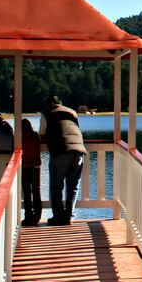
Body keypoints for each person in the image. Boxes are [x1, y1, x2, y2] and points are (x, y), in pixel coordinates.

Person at [39, 95, 86, 226]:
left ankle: (57, 216)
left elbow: (42, 134)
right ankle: (69, 216)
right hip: (79, 151)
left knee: (56, 186)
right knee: (73, 186)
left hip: (61, 150)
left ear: (48, 104)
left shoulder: (46, 113)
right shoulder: (72, 112)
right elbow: (75, 130)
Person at [20, 118, 43, 226]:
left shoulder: (19, 137)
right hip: (35, 166)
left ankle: (28, 216)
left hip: (24, 166)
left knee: (27, 193)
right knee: (36, 191)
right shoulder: (35, 135)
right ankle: (37, 216)